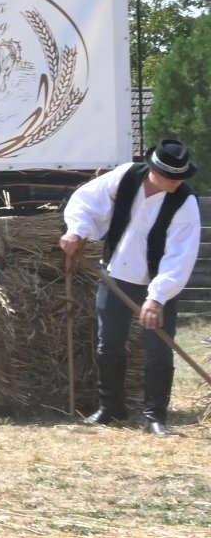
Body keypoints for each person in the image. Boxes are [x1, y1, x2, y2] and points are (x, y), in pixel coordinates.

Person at [60, 140, 200, 437]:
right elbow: (85, 200)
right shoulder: (125, 177)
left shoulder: (185, 203)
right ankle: (111, 409)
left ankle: (155, 417)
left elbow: (181, 256)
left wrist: (157, 298)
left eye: (181, 178)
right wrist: (77, 230)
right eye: (171, 176)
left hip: (156, 284)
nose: (177, 182)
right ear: (153, 170)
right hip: (116, 276)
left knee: (158, 349)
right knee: (108, 344)